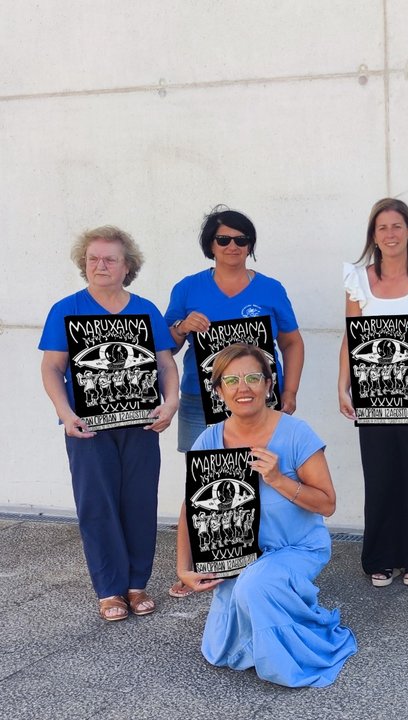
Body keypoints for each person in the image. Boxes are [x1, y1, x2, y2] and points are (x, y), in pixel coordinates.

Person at [176, 343, 357, 687]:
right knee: (220, 650)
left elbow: (327, 504)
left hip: (296, 547)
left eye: (253, 377)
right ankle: (288, 611)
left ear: (269, 384)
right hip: (241, 552)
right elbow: (191, 506)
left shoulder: (296, 433)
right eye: (231, 380)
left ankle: (302, 648)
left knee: (255, 588)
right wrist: (184, 567)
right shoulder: (208, 440)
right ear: (218, 391)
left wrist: (278, 479)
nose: (243, 387)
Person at [39, 226, 179, 621]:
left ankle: (137, 584)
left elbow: (166, 363)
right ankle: (109, 589)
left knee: (139, 502)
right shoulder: (67, 309)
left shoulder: (146, 309)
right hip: (87, 428)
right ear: (84, 264)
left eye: (109, 258)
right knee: (96, 505)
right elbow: (51, 367)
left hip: (140, 425)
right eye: (92, 259)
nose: (100, 265)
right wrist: (65, 413)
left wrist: (170, 403)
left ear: (127, 265)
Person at [165, 206, 305, 598]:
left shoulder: (270, 289)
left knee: (265, 475)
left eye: (241, 239)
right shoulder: (188, 288)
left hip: (262, 401)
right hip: (201, 400)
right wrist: (182, 327)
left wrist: (290, 390)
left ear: (250, 245)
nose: (232, 246)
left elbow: (292, 342)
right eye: (223, 239)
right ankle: (200, 564)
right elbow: (166, 345)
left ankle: (261, 559)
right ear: (210, 244)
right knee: (206, 481)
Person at [338, 198, 408, 587]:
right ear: (374, 235)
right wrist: (344, 385)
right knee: (381, 470)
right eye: (382, 227)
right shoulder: (357, 278)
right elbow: (350, 336)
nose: (390, 234)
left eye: (397, 226)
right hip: (374, 385)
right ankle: (382, 557)